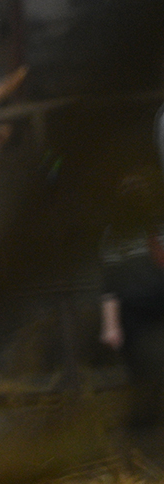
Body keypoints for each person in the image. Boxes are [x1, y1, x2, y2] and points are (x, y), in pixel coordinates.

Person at [99, 105, 164, 442]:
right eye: (128, 189)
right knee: (142, 374)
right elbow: (108, 285)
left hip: (159, 306)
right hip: (134, 317)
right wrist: (110, 325)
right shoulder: (113, 236)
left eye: (139, 187)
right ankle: (143, 434)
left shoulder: (157, 225)